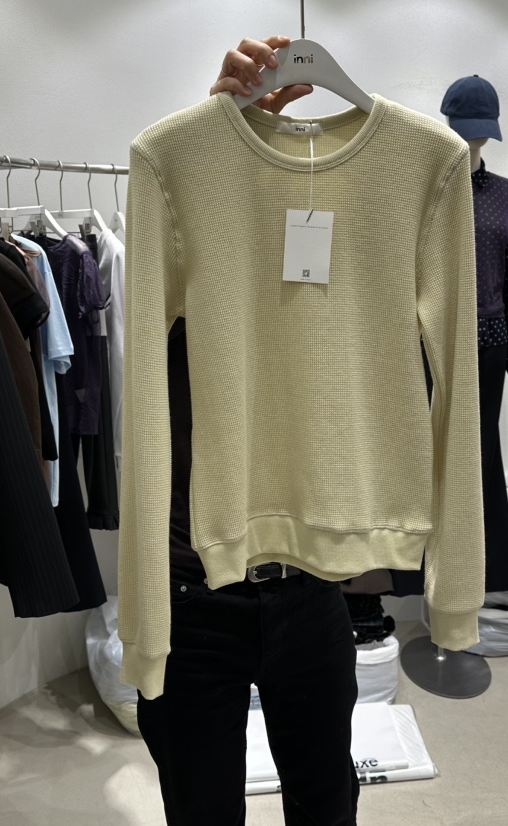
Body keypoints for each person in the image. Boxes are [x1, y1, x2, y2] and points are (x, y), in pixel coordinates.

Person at [136, 38, 360, 826]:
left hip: (310, 580)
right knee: (201, 809)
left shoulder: (338, 231)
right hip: (192, 590)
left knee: (326, 802)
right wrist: (217, 137)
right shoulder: (178, 214)